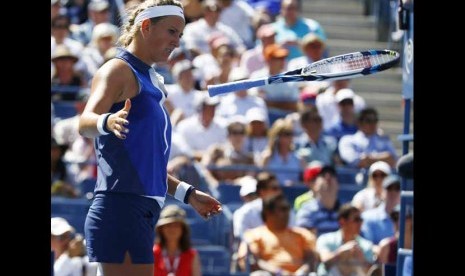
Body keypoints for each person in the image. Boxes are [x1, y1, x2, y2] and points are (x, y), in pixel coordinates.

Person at [77, 1, 222, 275]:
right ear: (145, 26)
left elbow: (147, 165)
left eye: (179, 35)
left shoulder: (151, 80)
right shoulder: (118, 70)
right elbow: (85, 123)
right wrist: (107, 120)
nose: (176, 42)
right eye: (171, 31)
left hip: (138, 209)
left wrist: (186, 193)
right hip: (121, 207)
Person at [153, 205, 202, 276]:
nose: (172, 229)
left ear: (183, 229)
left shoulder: (192, 255)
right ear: (161, 229)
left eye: (176, 225)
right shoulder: (152, 254)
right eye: (168, 225)